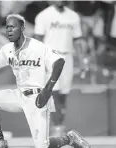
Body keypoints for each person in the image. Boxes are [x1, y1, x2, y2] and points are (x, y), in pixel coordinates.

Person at [0, 14, 90, 148]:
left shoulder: (37, 47)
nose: (9, 30)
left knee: (42, 146)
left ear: (22, 28)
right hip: (19, 95)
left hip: (38, 97)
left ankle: (69, 139)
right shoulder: (7, 49)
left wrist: (48, 89)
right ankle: (0, 142)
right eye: (7, 27)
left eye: (13, 27)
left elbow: (59, 61)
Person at [34, 1, 87, 135]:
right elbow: (37, 40)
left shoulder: (74, 16)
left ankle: (58, 125)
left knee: (64, 93)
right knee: (54, 91)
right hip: (50, 56)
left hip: (68, 56)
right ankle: (58, 127)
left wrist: (82, 61)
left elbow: (78, 40)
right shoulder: (43, 16)